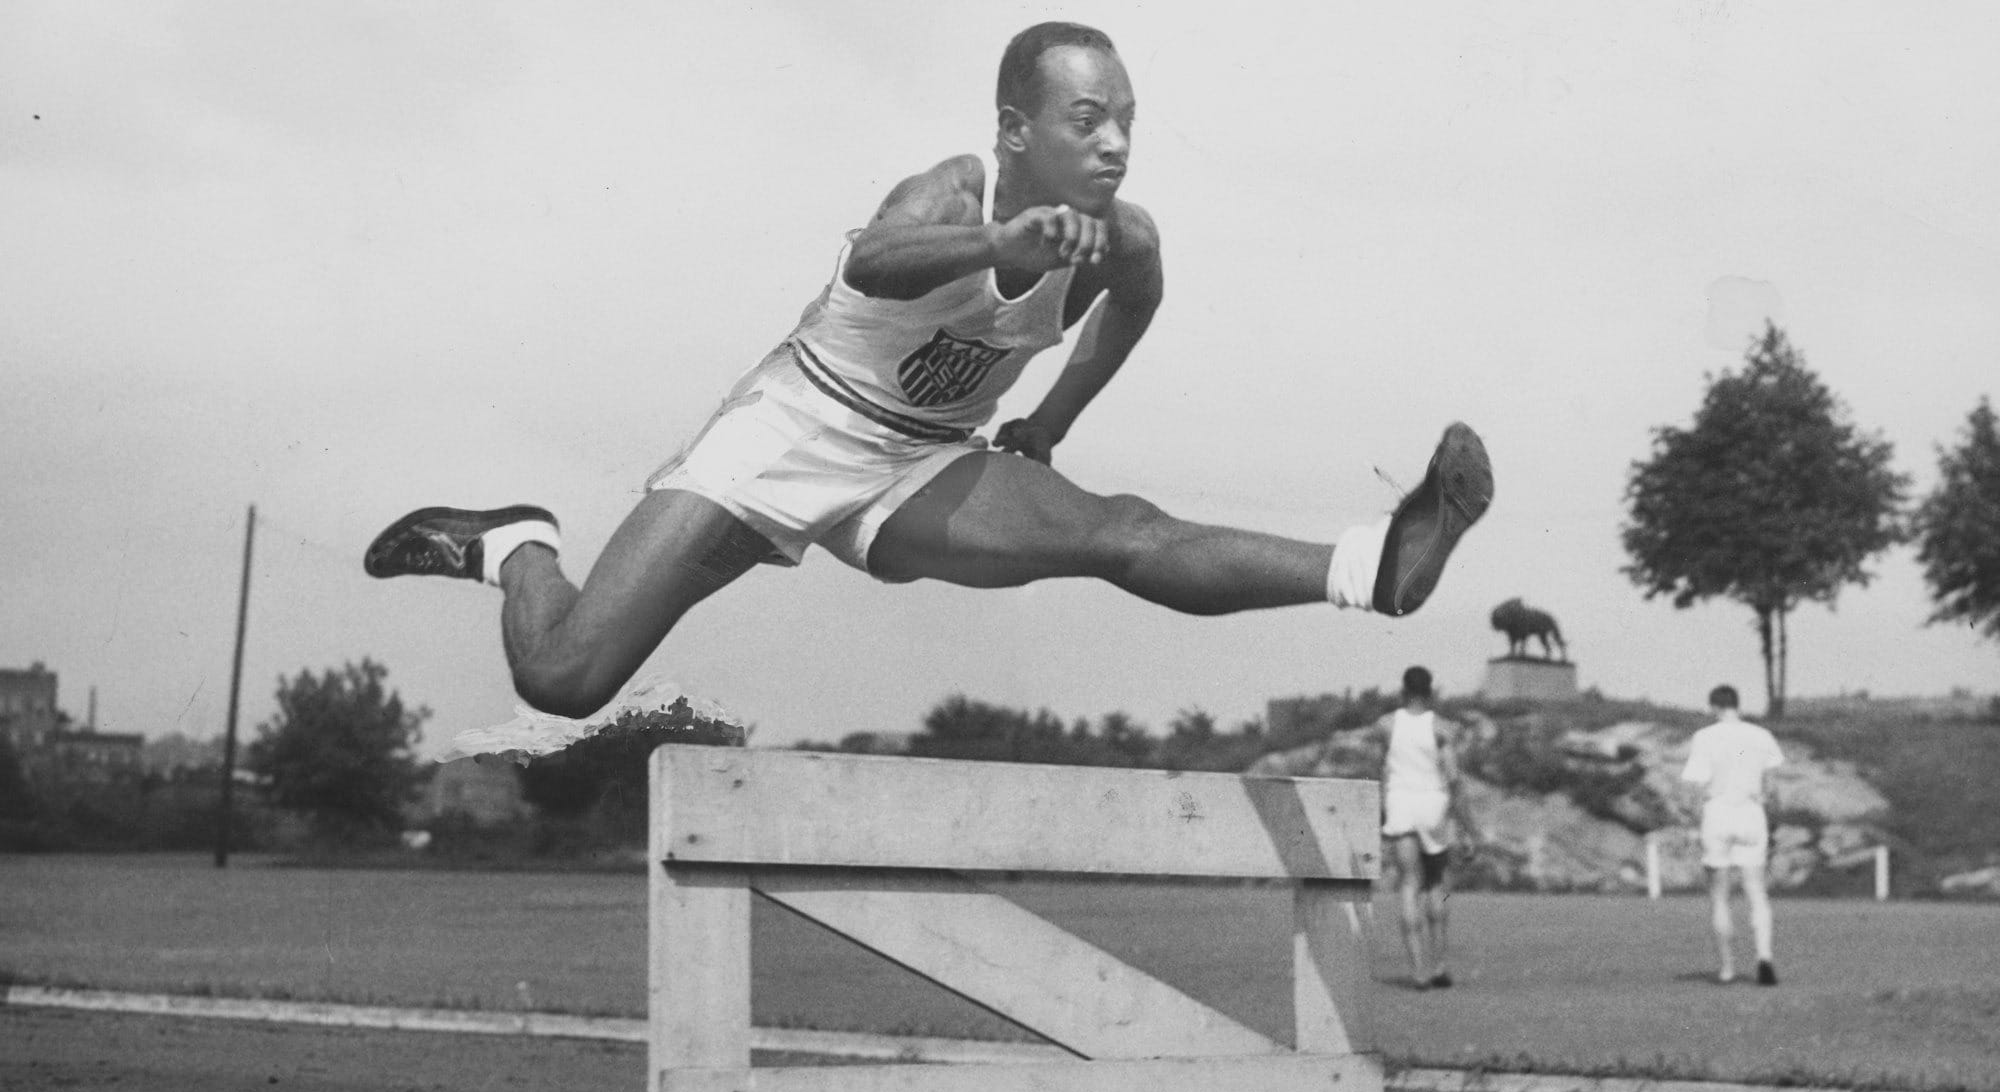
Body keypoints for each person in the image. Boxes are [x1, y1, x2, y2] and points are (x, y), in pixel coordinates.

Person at [363, 22, 1495, 721]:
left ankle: (1372, 568)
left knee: (1119, 531)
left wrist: (1049, 422)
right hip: (789, 434)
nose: (1114, 143)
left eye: (1126, 121)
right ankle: (517, 546)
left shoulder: (1124, 239)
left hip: (919, 464)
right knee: (563, 681)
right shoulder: (950, 192)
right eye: (1087, 119)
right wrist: (997, 244)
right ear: (1016, 130)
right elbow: (873, 258)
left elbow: (1135, 306)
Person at [1367, 665, 1469, 990]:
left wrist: (1380, 809)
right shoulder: (1442, 728)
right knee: (1436, 882)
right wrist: (1467, 827)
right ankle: (1439, 965)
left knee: (1409, 883)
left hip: (1400, 804)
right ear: (1430, 692)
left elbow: (1379, 769)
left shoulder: (1386, 725)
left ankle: (1418, 971)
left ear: (1403, 691)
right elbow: (1453, 777)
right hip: (1432, 806)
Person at [1681, 684, 1785, 986]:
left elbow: (1695, 785)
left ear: (1714, 706)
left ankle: (1727, 968)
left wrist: (1692, 822)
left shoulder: (1705, 737)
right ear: (1737, 705)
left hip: (1718, 812)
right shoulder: (1762, 736)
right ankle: (1764, 957)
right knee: (1756, 892)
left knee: (1719, 896)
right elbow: (1772, 785)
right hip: (1751, 812)